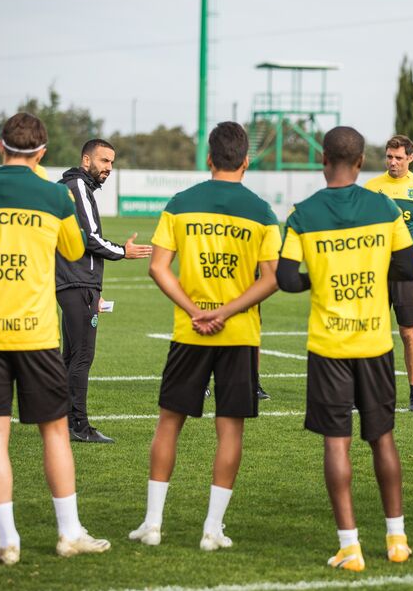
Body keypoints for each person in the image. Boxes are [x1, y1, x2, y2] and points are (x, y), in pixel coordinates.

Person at [0, 112, 110, 564]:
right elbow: (76, 250)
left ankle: (8, 541)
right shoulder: (54, 195)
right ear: (41, 153)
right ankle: (68, 533)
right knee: (55, 432)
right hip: (36, 333)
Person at [129, 122, 280, 551]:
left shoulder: (180, 204)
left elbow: (158, 267)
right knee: (229, 430)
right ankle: (212, 530)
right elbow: (271, 279)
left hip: (189, 332)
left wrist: (196, 311)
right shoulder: (262, 211)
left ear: (209, 159)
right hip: (240, 334)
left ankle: (153, 524)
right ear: (246, 162)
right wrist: (227, 311)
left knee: (169, 423)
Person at [277, 126, 413, 571]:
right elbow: (409, 266)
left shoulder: (303, 213)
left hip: (329, 345)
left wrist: (315, 278)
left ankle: (350, 546)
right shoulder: (384, 205)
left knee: (336, 444)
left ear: (323, 161)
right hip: (375, 341)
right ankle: (397, 540)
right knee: (382, 439)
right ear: (360, 164)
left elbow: (284, 278)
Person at [56, 139, 152, 444]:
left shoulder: (73, 186)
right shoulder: (77, 187)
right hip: (77, 282)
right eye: (103, 161)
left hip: (76, 283)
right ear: (86, 161)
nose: (108, 168)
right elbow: (90, 239)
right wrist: (124, 251)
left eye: (112, 162)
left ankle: (62, 422)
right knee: (81, 356)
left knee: (71, 357)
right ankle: (79, 427)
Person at [364, 135, 413, 410]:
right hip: (376, 274)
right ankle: (368, 391)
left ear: (410, 158)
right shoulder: (372, 187)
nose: (392, 162)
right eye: (389, 157)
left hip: (407, 275)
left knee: (408, 333)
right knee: (371, 331)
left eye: (398, 157)